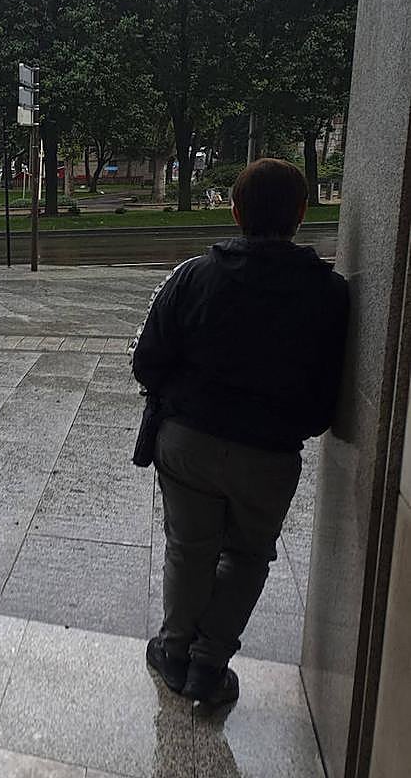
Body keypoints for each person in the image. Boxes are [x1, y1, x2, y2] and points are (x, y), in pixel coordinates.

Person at [133, 158, 349, 707]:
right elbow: (329, 392)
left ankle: (174, 649)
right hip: (270, 453)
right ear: (302, 214)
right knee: (250, 556)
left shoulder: (194, 275)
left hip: (189, 442)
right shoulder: (330, 294)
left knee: (188, 547)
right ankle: (210, 664)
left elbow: (148, 361)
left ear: (234, 212)